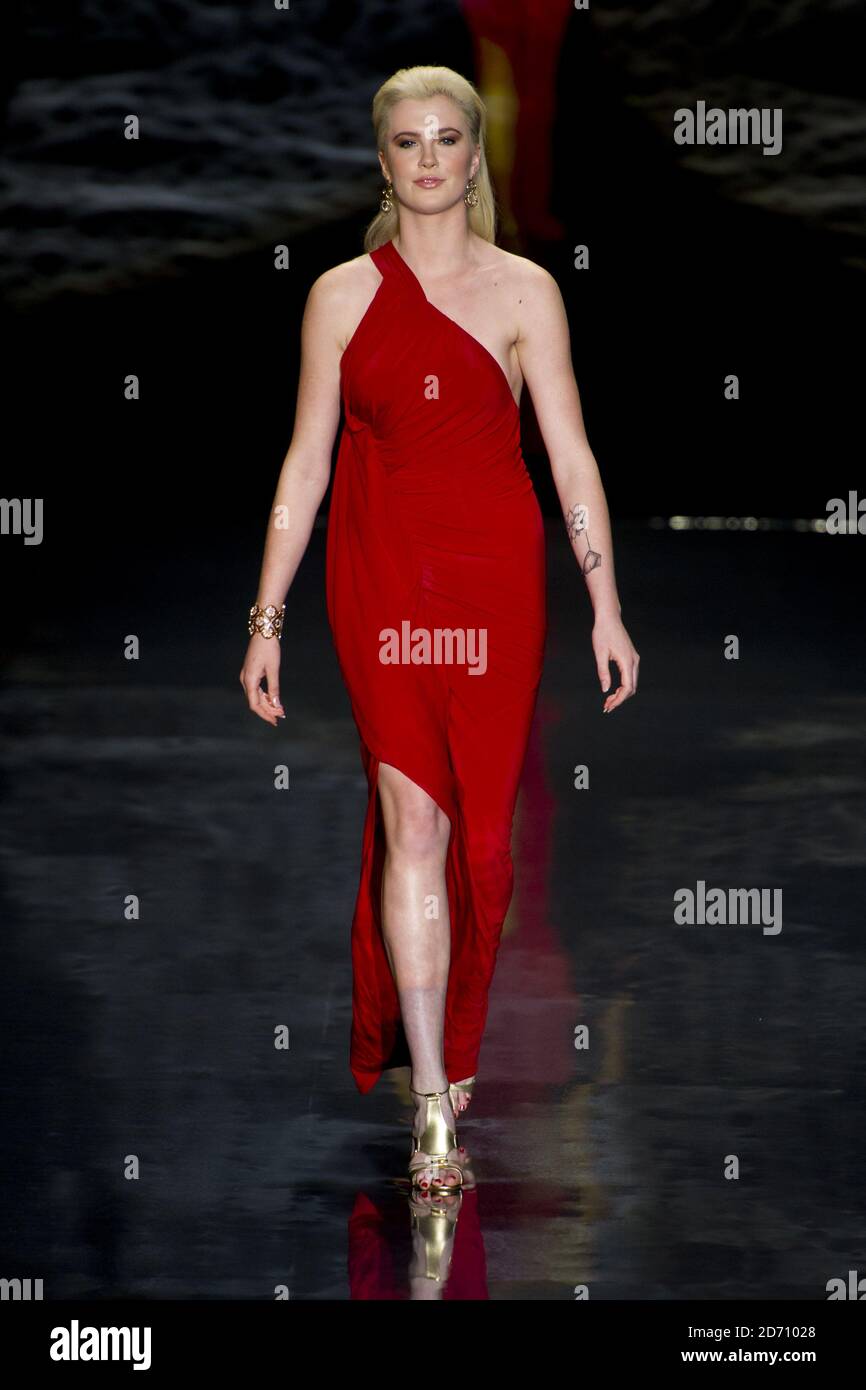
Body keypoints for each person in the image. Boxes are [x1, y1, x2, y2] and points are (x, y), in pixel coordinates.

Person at [240, 65, 639, 1195]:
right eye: (406, 141)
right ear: (382, 161)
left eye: (447, 138)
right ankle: (431, 1110)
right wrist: (266, 617)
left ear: (474, 158)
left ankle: (445, 1053)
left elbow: (568, 457)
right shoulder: (335, 296)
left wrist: (603, 601)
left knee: (483, 847)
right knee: (411, 819)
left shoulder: (524, 294)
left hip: (493, 585)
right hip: (380, 585)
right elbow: (305, 463)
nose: (426, 158)